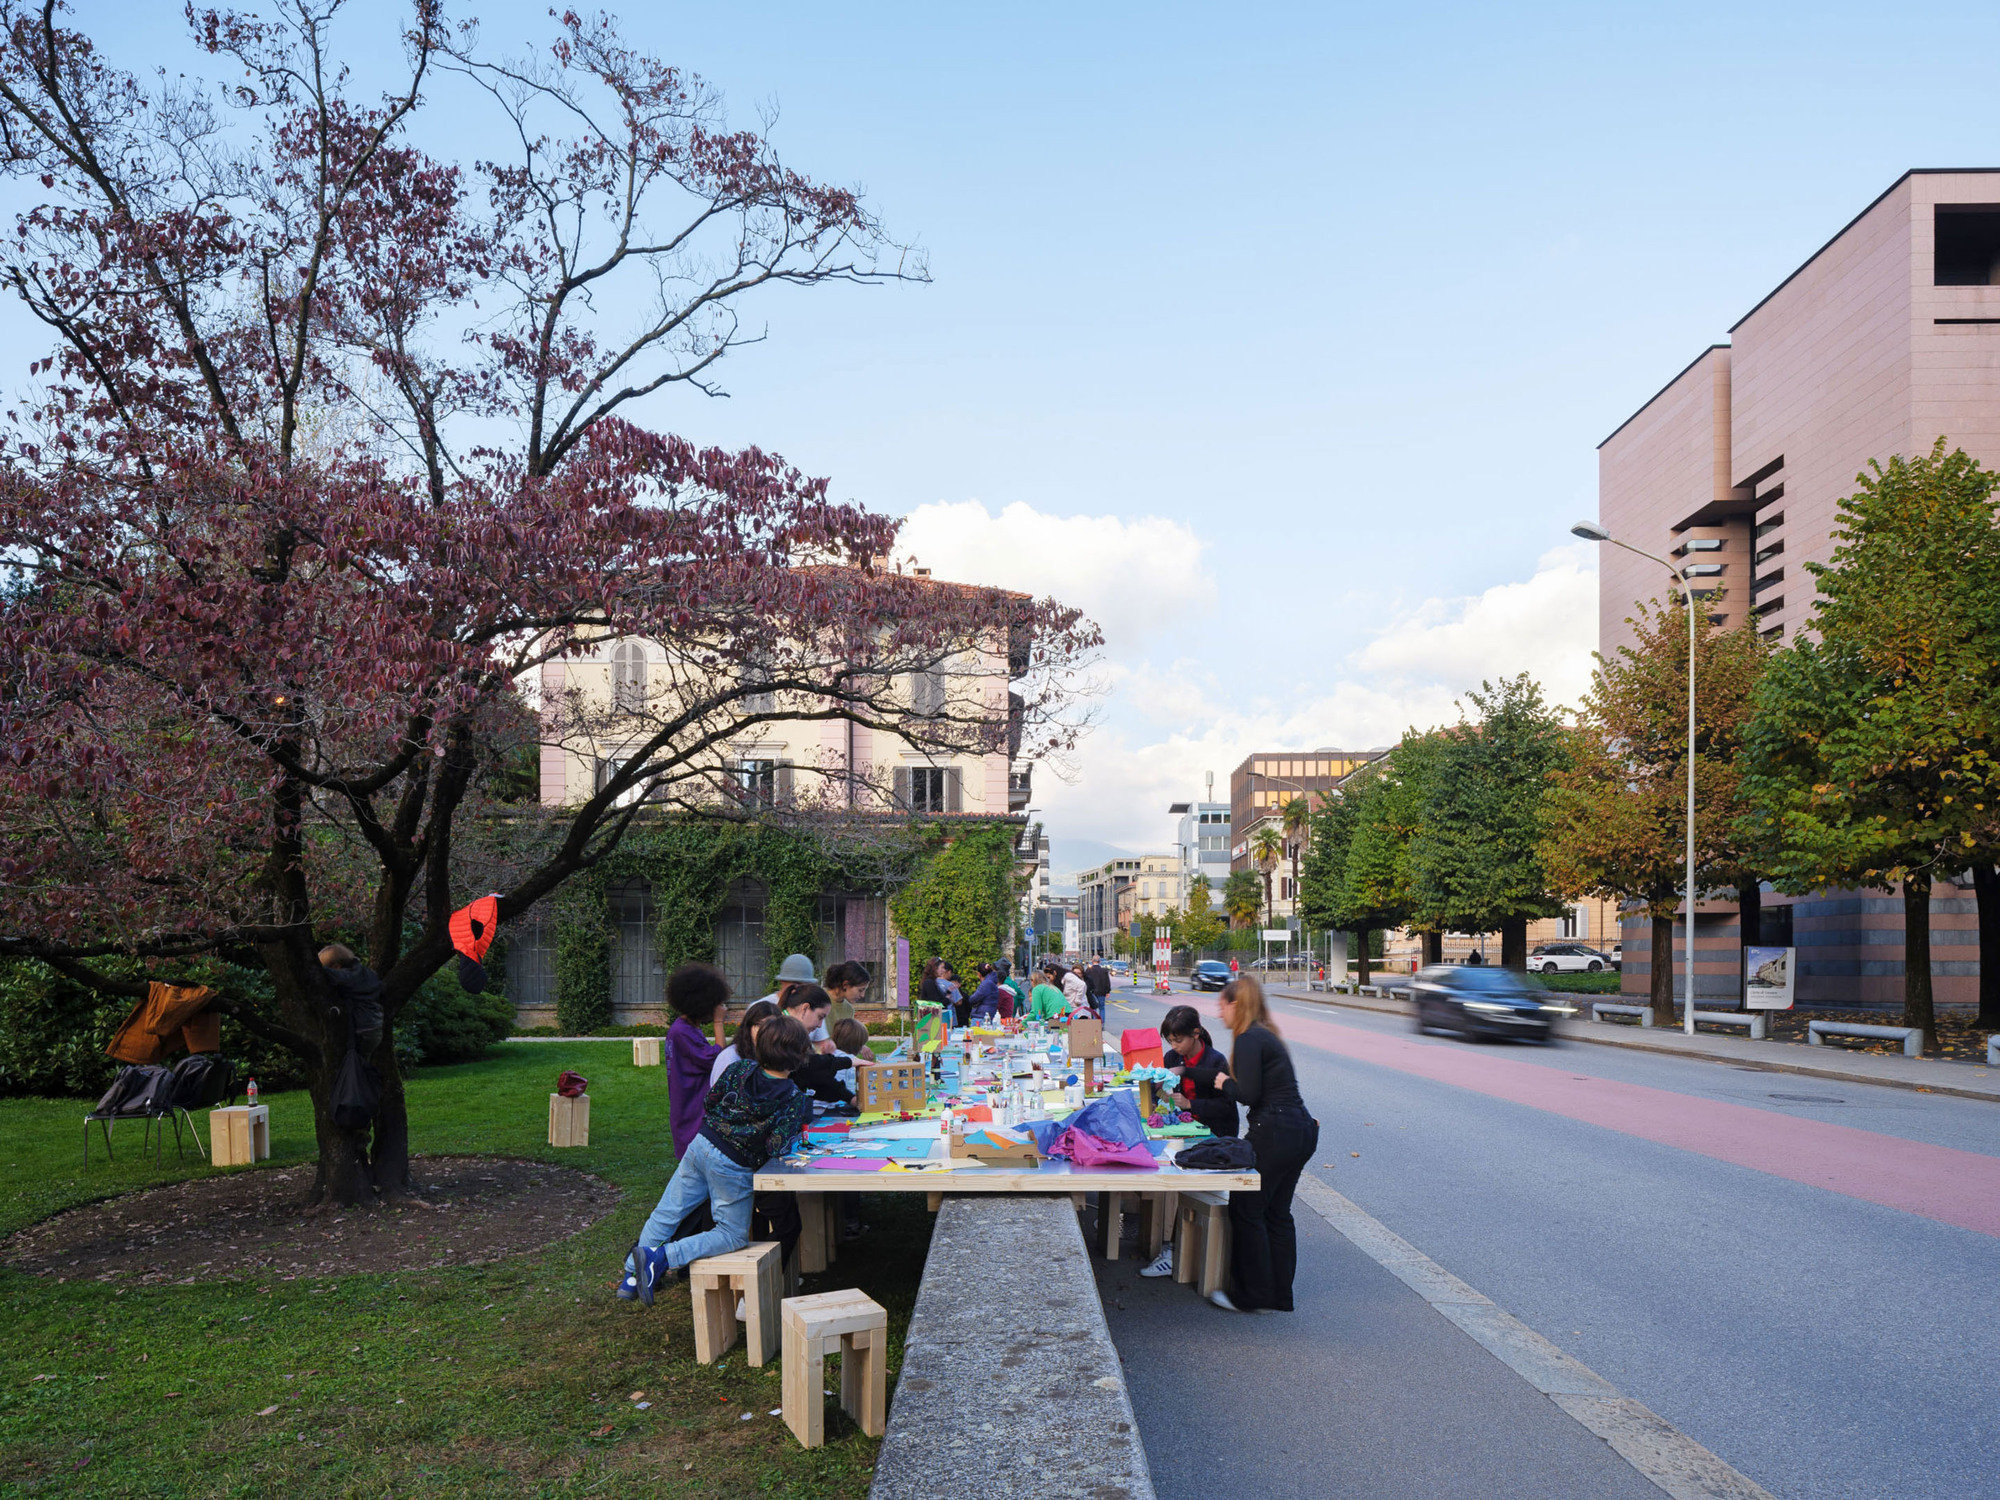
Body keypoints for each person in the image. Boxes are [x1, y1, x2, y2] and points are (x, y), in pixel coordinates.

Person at [621, 1013, 814, 1302]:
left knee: (668, 1211)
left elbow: (710, 1101)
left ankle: (631, 1278)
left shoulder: (738, 1069)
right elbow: (776, 1148)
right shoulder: (793, 1099)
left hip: (701, 1144)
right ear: (800, 1055)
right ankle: (661, 1258)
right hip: (733, 1164)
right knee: (732, 1234)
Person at [1207, 977, 1318, 1313]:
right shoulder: (1267, 1034)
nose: (1219, 1013)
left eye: (1222, 1005)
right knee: (1277, 1213)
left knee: (1247, 1209)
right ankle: (1279, 1296)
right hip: (1301, 1129)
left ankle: (1251, 1295)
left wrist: (1225, 1083)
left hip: (1274, 1130)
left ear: (1236, 1004)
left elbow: (1249, 1096)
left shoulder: (1248, 1038)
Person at [663, 962, 728, 1159]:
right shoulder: (683, 1032)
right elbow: (717, 1058)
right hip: (691, 1106)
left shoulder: (684, 1028)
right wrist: (718, 1022)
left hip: (687, 1102)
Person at [783, 984, 853, 1105]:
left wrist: (849, 1097)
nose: (820, 1025)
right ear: (805, 1009)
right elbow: (809, 1068)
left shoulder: (794, 1033)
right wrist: (848, 1061)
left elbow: (814, 1077)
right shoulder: (781, 1033)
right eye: (820, 1017)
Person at [318, 943, 384, 1053]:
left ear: (336, 966)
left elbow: (334, 975)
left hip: (363, 1031)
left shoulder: (350, 977)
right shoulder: (366, 973)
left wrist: (317, 968)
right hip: (374, 1028)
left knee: (352, 1064)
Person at [709, 999, 780, 1086]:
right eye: (759, 1025)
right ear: (748, 1027)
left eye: (770, 1026)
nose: (764, 1030)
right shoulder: (731, 1056)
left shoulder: (777, 1055)